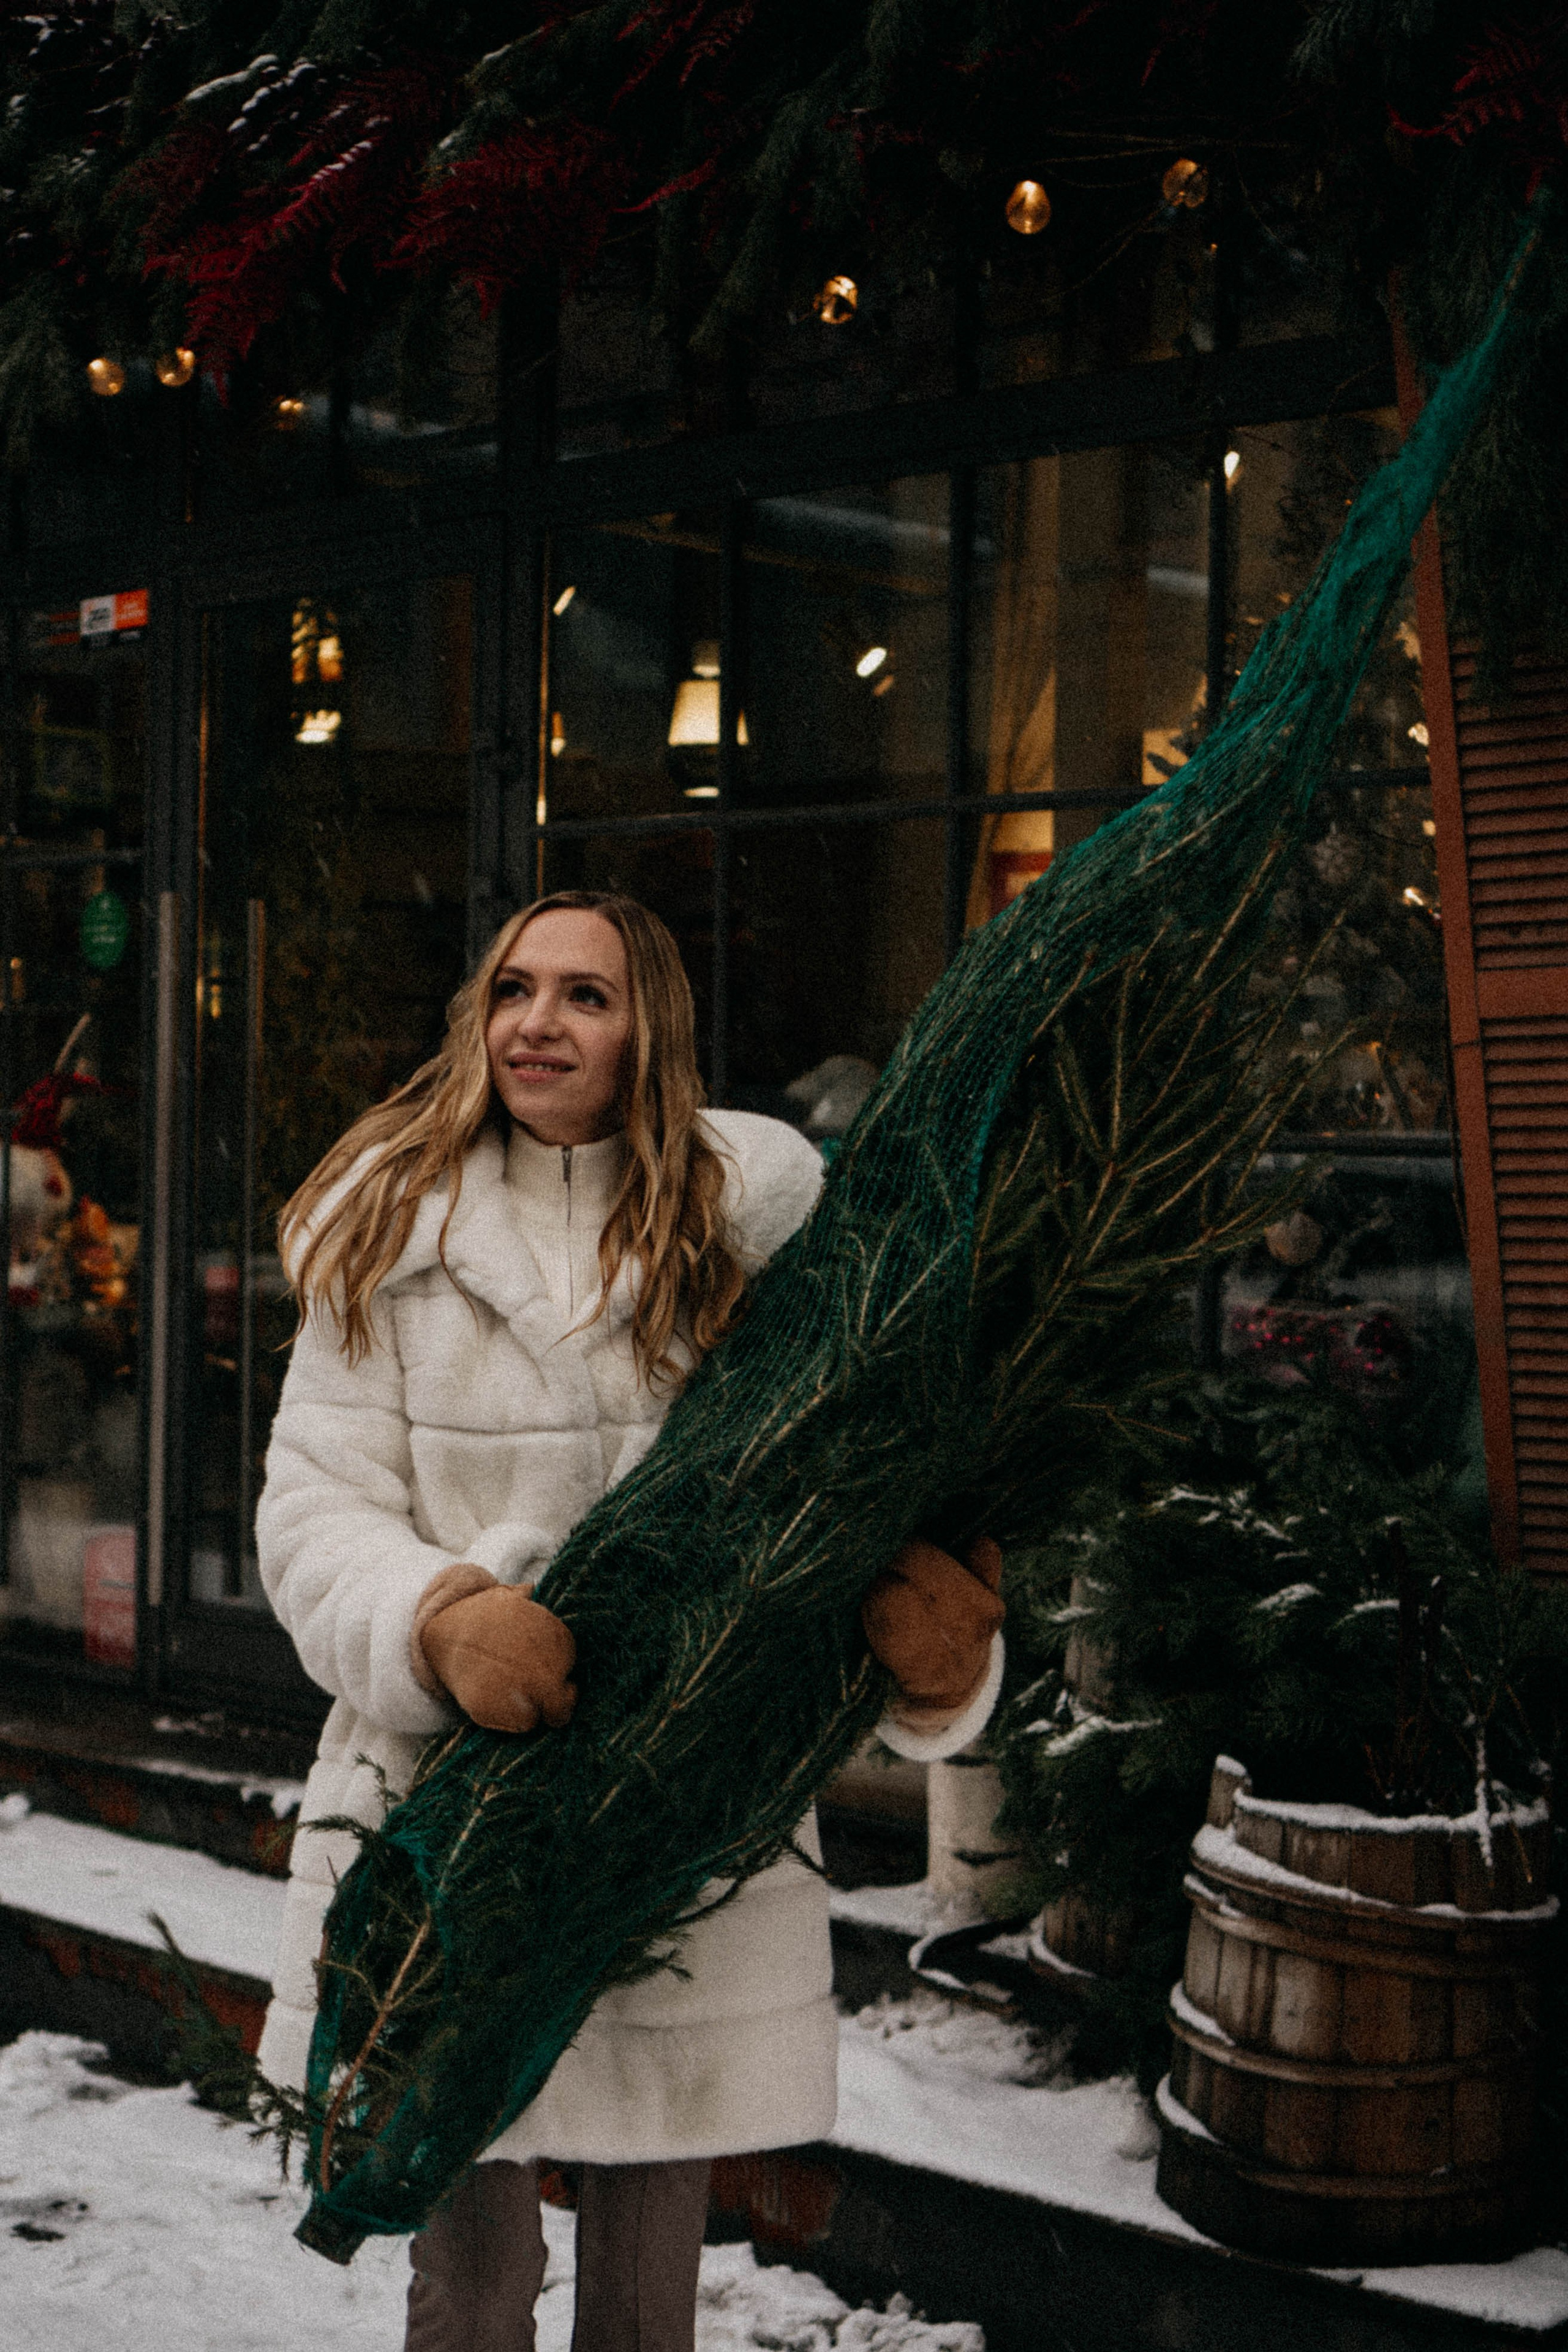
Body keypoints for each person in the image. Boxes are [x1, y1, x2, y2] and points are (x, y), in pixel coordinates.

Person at [254, 891, 1006, 2352]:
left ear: (645, 1027)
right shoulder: (387, 1235)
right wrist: (435, 1622)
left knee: (646, 2300)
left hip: (685, 1838)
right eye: (514, 988)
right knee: (470, 2282)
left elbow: (834, 1519)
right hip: (449, 1817)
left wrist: (927, 1664)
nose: (537, 1022)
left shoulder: (760, 1235)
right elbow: (309, 1513)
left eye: (584, 996)